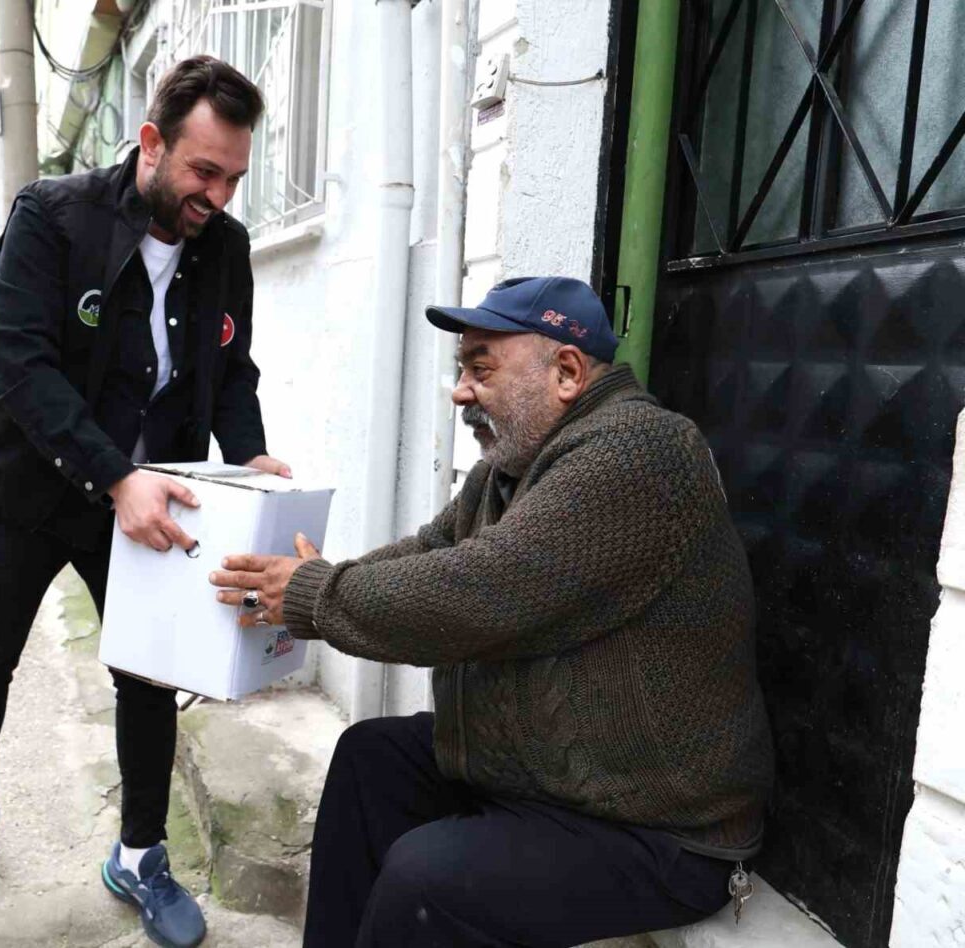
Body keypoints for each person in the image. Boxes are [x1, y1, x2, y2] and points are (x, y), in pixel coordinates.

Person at [209, 276, 775, 948]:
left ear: (566, 371)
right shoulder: (506, 471)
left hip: (659, 828)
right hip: (552, 777)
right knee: (371, 759)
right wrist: (306, 584)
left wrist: (315, 593)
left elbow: (478, 592)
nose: (460, 390)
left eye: (481, 368)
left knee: (427, 881)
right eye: (460, 369)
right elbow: (427, 553)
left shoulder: (639, 454)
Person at [0, 56, 288, 948]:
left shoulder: (226, 249)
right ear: (153, 142)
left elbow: (227, 369)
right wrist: (114, 474)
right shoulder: (53, 216)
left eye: (235, 178)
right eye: (205, 172)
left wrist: (252, 460)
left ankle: (139, 854)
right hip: (23, 480)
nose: (218, 195)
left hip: (141, 491)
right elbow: (22, 362)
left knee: (146, 672)